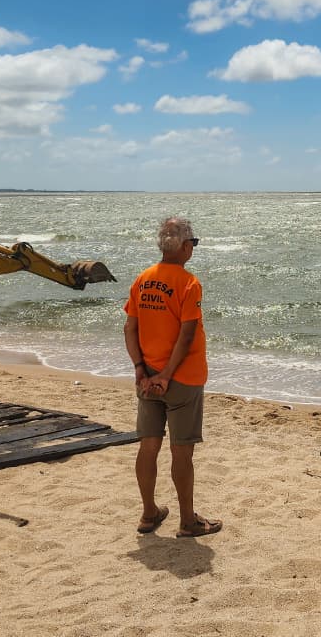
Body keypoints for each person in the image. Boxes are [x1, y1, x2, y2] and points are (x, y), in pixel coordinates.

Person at [123, 217, 222, 538]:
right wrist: (167, 375)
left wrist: (140, 369)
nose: (192, 248)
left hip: (147, 378)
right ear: (184, 246)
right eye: (192, 243)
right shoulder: (188, 283)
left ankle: (149, 513)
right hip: (182, 380)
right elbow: (187, 335)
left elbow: (130, 327)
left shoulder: (143, 280)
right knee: (182, 451)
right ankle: (187, 521)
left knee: (148, 446)